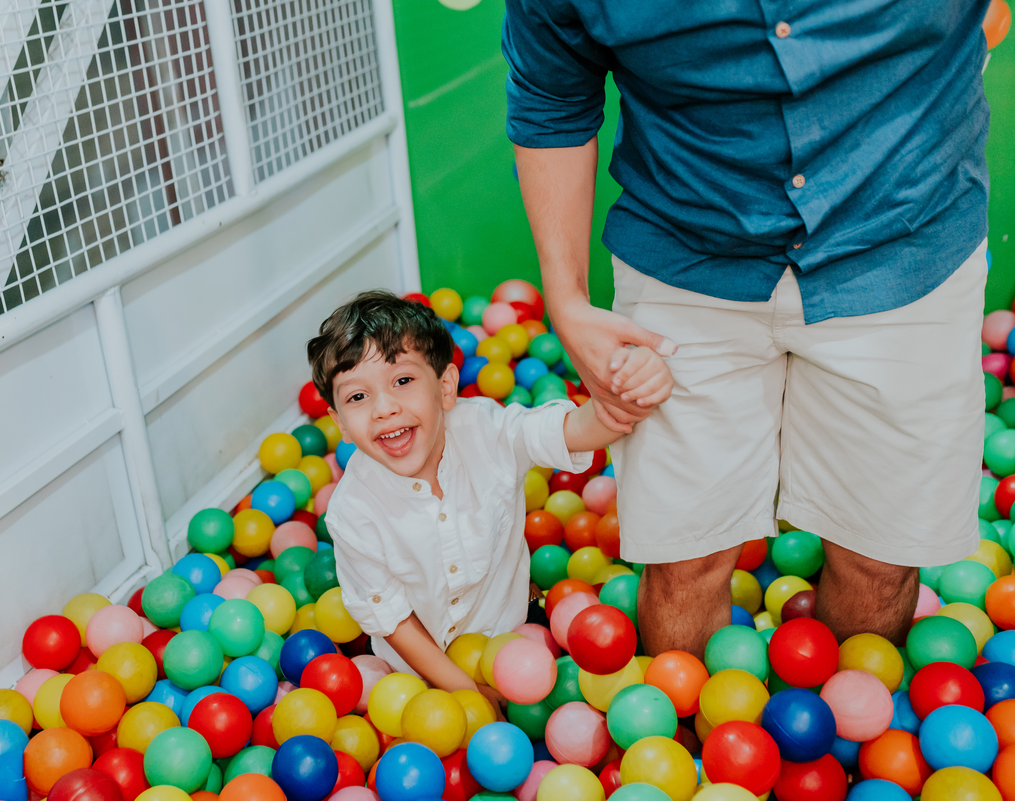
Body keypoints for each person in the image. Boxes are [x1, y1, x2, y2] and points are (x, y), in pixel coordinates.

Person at [503, 1, 990, 656]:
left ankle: (853, 750)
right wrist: (566, 299)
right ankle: (673, 746)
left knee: (881, 559)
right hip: (687, 247)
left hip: (902, 245)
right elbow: (551, 98)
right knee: (682, 560)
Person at [307, 290, 672, 707]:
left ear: (445, 387)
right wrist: (467, 694)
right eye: (357, 396)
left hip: (517, 640)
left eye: (403, 381)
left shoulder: (487, 430)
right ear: (341, 425)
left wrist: (626, 396)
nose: (384, 408)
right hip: (414, 675)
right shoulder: (352, 512)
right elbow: (394, 622)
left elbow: (570, 428)